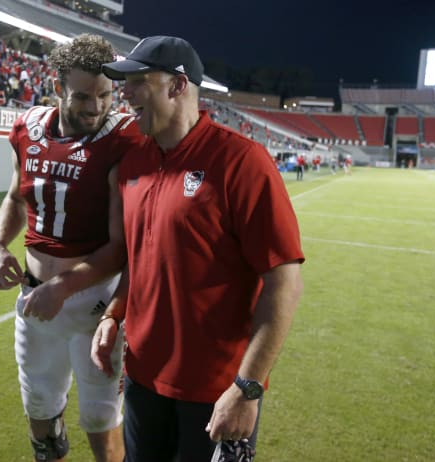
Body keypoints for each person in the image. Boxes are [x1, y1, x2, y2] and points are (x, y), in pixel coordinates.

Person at [90, 36, 305, 461]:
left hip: (216, 390)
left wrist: (248, 388)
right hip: (142, 382)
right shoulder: (133, 162)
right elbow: (140, 258)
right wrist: (115, 313)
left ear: (177, 85)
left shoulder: (242, 161)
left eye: (137, 81)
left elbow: (284, 284)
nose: (125, 92)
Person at [0, 34, 143, 462]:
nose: (96, 107)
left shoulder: (122, 139)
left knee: (99, 416)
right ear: (57, 88)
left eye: (105, 95)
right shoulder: (27, 128)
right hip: (35, 296)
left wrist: (64, 287)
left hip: (95, 302)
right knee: (39, 408)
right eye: (83, 96)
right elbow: (16, 197)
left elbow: (120, 247)